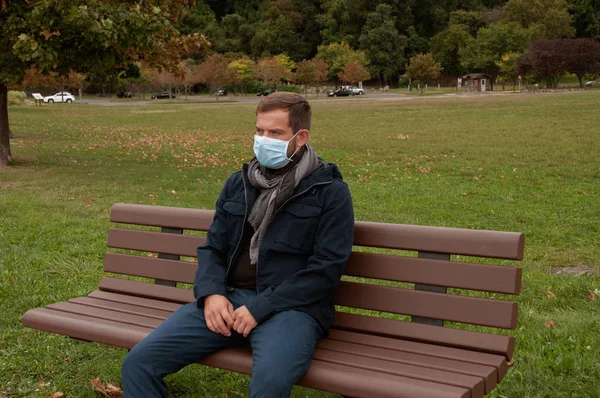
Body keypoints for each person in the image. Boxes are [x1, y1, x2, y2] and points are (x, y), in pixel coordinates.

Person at [121, 92, 355, 397]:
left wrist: (262, 306)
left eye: (275, 133)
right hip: (228, 300)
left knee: (268, 385)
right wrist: (211, 294)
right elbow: (213, 249)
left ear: (300, 137)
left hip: (289, 308)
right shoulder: (240, 183)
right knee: (138, 363)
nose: (263, 139)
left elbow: (326, 269)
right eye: (259, 131)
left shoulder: (329, 192)